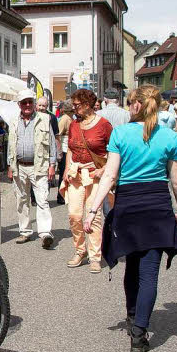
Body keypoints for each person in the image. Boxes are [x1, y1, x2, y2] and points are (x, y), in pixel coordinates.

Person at [84, 84, 177, 352]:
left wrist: (93, 209)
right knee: (149, 273)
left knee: (132, 265)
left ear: (136, 105)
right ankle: (139, 333)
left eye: (130, 102)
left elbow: (109, 176)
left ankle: (132, 317)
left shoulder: (121, 133)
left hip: (128, 204)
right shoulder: (168, 136)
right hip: (157, 205)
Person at [61, 89, 113, 272]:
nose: (74, 108)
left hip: (94, 175)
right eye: (74, 105)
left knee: (95, 217)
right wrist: (67, 168)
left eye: (77, 105)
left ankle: (95, 256)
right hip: (76, 174)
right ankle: (79, 250)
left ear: (88, 105)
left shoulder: (104, 125)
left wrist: (104, 169)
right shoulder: (74, 124)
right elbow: (70, 149)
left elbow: (115, 152)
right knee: (74, 215)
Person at [7, 90, 57, 247]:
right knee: (21, 200)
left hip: (39, 166)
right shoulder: (14, 121)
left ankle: (45, 233)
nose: (27, 105)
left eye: (30, 102)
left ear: (34, 104)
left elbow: (52, 144)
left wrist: (52, 165)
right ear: (19, 105)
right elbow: (11, 145)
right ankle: (25, 232)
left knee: (42, 200)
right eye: (24, 102)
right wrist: (10, 165)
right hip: (20, 166)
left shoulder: (44, 119)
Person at [56, 100, 74, 204]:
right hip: (64, 149)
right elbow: (58, 134)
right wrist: (59, 151)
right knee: (63, 172)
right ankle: (60, 195)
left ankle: (65, 194)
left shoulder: (69, 118)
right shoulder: (65, 119)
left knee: (67, 172)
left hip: (68, 148)